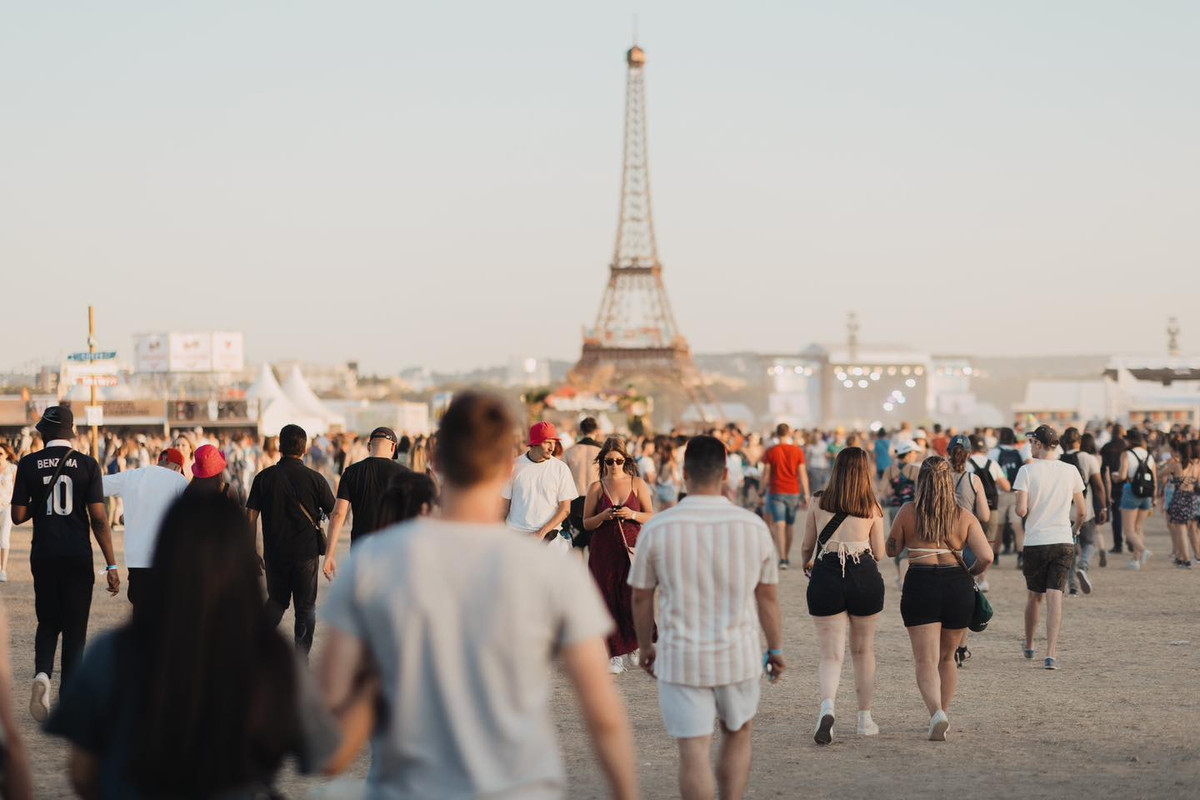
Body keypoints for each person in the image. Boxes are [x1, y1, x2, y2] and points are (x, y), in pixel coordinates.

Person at [318, 391, 638, 799]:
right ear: (508, 465)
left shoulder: (372, 565)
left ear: (434, 462)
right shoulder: (551, 570)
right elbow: (604, 717)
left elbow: (331, 745)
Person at [45, 492, 350, 799]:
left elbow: (82, 773)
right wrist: (368, 689)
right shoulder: (273, 660)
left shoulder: (112, 653)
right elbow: (327, 757)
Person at [629, 435, 783, 800]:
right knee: (738, 731)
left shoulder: (659, 527)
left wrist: (645, 645)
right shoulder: (752, 526)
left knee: (693, 750)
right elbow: (768, 598)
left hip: (680, 654)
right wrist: (775, 648)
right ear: (726, 474)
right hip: (738, 652)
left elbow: (640, 595)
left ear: (684, 474)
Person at [9, 406, 120, 721]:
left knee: (47, 622)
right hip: (77, 556)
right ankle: (69, 700)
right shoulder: (87, 465)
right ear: (70, 432)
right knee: (75, 630)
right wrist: (112, 565)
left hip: (43, 554)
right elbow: (99, 519)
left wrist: (37, 502)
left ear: (44, 432)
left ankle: (42, 675)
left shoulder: (28, 464)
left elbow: (17, 516)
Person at [885, 457, 993, 740]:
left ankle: (936, 713)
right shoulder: (964, 516)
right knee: (947, 658)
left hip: (921, 583)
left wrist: (896, 538)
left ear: (921, 481)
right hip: (956, 585)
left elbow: (891, 550)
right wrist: (970, 572)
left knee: (925, 660)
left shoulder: (908, 511)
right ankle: (942, 712)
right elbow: (986, 556)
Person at [798, 447, 885, 744]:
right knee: (863, 652)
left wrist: (806, 565)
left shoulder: (819, 501)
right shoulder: (872, 505)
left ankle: (828, 708)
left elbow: (807, 546)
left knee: (830, 655)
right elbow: (881, 552)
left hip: (827, 574)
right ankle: (864, 718)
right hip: (863, 574)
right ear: (865, 471)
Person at [246, 424, 335, 656]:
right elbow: (335, 511)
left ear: (279, 447)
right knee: (306, 608)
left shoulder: (263, 478)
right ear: (304, 449)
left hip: (274, 554)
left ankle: (255, 642)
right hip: (306, 554)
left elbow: (251, 517)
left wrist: (251, 551)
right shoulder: (316, 479)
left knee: (276, 602)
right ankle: (300, 657)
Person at [1014, 425, 1086, 669]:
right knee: (1056, 596)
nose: (1030, 446)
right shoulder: (1071, 470)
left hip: (1036, 540)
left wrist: (1022, 508)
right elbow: (1082, 510)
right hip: (1063, 538)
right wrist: (1075, 528)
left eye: (1032, 441)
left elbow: (1021, 510)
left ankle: (1030, 644)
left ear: (1038, 444)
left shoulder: (1027, 472)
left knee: (1035, 596)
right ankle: (1051, 653)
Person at [582, 437, 655, 674]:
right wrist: (603, 516)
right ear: (602, 461)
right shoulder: (596, 487)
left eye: (618, 460)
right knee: (606, 599)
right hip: (604, 550)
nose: (614, 465)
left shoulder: (637, 483)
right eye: (609, 461)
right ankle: (614, 653)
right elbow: (586, 524)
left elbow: (651, 515)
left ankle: (633, 642)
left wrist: (632, 514)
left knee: (632, 596)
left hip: (632, 548)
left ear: (626, 460)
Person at [101, 447, 188, 605]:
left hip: (137, 564)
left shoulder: (132, 476)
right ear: (178, 467)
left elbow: (100, 485)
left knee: (141, 616)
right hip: (166, 561)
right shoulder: (179, 480)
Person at [322, 427, 408, 581]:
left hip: (360, 549)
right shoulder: (405, 474)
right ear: (393, 447)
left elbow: (338, 514)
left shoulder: (351, 472)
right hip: (393, 550)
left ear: (369, 447)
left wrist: (330, 554)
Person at [502, 422, 576, 544]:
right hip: (516, 536)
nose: (552, 447)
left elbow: (565, 509)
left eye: (554, 442)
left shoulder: (561, 469)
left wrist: (541, 533)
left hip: (550, 538)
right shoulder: (514, 466)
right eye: (547, 442)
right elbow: (504, 506)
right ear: (535, 443)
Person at [1060, 428, 1107, 595]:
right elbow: (1099, 486)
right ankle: (1084, 565)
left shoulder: (1059, 459)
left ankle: (1072, 587)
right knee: (1089, 543)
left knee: (1070, 549)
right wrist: (1103, 507)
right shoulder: (1089, 459)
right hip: (1085, 509)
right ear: (1079, 441)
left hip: (1064, 512)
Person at [762, 423, 811, 568]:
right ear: (789, 434)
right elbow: (802, 475)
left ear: (776, 434)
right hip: (793, 491)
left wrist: (761, 490)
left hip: (776, 490)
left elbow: (766, 475)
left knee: (779, 524)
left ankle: (782, 558)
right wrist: (806, 494)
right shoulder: (797, 451)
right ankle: (786, 556)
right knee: (790, 525)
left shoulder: (771, 451)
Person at [1117, 429, 1157, 569]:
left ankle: (1143, 551)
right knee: (1139, 528)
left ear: (1130, 440)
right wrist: (1154, 497)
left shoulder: (1126, 454)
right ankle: (1136, 561)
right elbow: (1154, 480)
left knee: (1129, 530)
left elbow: (1122, 476)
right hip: (1147, 493)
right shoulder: (1149, 455)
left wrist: (1114, 477)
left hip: (1131, 491)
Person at [564, 417, 604, 547]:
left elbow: (562, 479)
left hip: (575, 502)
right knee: (595, 546)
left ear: (581, 430)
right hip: (596, 501)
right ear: (596, 431)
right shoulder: (602, 453)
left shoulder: (570, 451)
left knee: (577, 545)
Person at [1099, 424, 1128, 554]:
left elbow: (1103, 468)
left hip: (1111, 484)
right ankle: (1132, 542)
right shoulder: (1126, 447)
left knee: (1116, 515)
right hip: (1127, 483)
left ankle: (1118, 545)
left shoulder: (1106, 447)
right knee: (1129, 516)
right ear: (1122, 433)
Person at [0, 445, 17, 582]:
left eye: (0, 453)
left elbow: (18, 489)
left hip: (7, 506)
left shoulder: (13, 469)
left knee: (4, 538)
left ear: (6, 454)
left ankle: (3, 569)